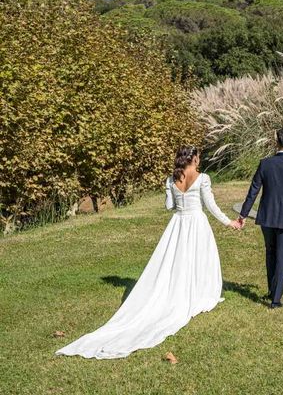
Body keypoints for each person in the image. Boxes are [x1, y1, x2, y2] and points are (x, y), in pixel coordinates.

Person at [56, 146, 241, 359]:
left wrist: (173, 195)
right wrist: (230, 223)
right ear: (195, 158)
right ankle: (198, 293)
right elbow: (211, 205)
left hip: (178, 224)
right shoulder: (203, 178)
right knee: (198, 259)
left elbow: (169, 206)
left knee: (178, 259)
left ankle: (183, 290)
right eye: (198, 157)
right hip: (197, 223)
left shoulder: (171, 180)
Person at [238, 128, 283, 309]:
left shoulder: (265, 164)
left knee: (270, 253)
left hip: (267, 216)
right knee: (282, 257)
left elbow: (253, 190)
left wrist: (243, 213)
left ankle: (272, 289)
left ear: (276, 142)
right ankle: (275, 299)